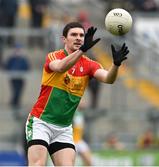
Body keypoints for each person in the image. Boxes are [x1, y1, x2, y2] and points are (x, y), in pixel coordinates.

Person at [25, 22, 129, 166]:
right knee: (38, 164)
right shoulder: (54, 56)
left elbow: (108, 79)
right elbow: (61, 67)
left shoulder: (89, 64)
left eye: (81, 35)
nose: (79, 38)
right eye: (74, 35)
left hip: (63, 128)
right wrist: (82, 50)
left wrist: (116, 65)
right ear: (64, 39)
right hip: (41, 123)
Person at [4, 43, 30, 109]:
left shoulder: (23, 59)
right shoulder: (11, 59)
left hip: (21, 78)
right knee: (15, 91)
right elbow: (7, 66)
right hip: (13, 78)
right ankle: (14, 104)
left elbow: (27, 67)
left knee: (19, 91)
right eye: (17, 50)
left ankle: (15, 103)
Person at [73, 99, 92, 166]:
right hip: (72, 141)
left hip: (79, 140)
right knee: (70, 163)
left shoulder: (81, 113)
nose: (84, 103)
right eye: (82, 101)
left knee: (89, 162)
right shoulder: (73, 112)